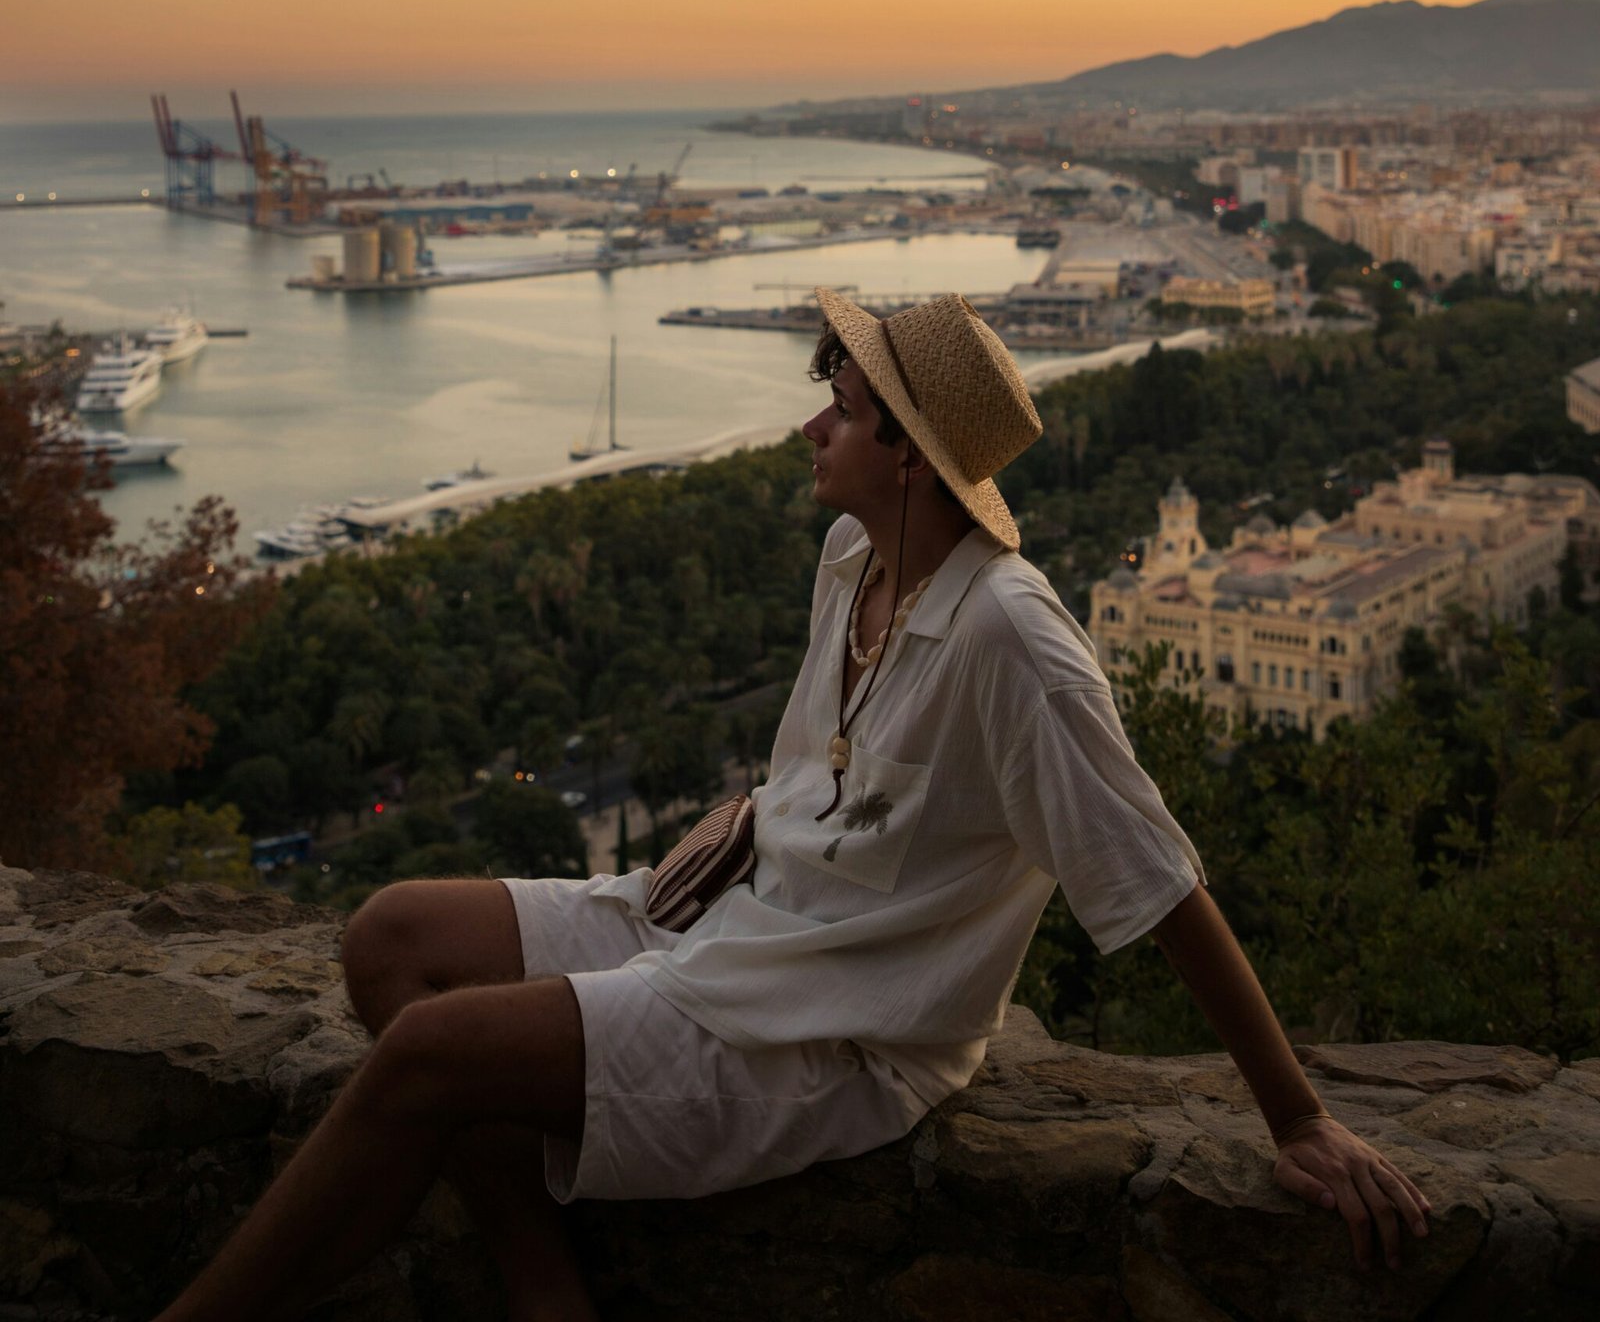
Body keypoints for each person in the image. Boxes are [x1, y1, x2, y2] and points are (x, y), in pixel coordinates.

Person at [155, 289, 1431, 1322]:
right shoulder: (852, 560)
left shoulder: (1011, 638)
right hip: (733, 917)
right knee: (389, 935)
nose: (811, 430)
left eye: (842, 408)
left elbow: (1157, 882)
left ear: (912, 458)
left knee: (431, 1054)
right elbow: (819, 777)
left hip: (832, 1026)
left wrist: (1300, 1116)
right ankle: (548, 1286)